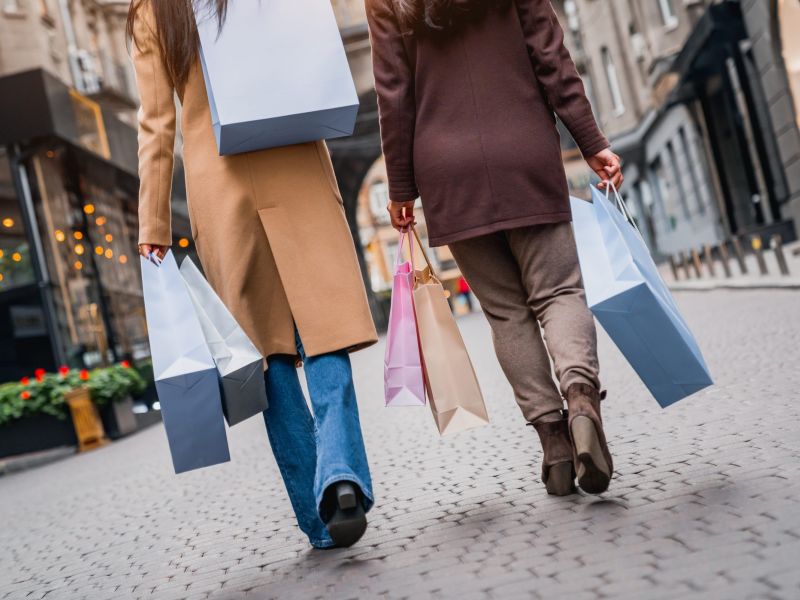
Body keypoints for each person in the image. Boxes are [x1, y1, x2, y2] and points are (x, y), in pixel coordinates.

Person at [128, 0, 377, 548]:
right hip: (292, 153)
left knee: (266, 354)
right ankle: (340, 472)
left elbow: (156, 123)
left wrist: (153, 224)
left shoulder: (153, 12)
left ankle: (319, 520)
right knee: (324, 324)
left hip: (221, 184)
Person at [367, 0, 623, 496]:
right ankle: (581, 400)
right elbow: (551, 55)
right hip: (522, 149)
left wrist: (401, 187)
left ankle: (553, 445)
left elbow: (392, 95)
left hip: (447, 171)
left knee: (507, 314)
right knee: (558, 292)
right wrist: (590, 141)